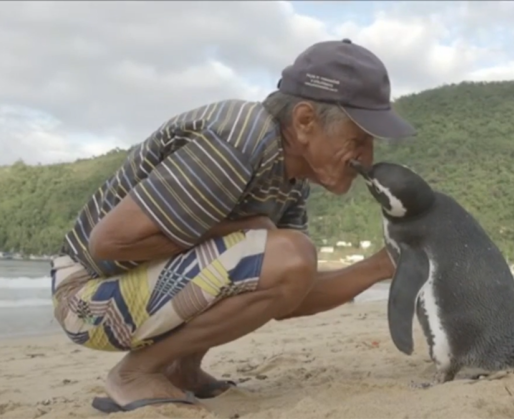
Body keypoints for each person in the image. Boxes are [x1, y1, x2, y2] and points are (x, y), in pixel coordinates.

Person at [50, 38, 416, 412]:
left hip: (127, 291)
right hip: (85, 297)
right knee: (286, 249)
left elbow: (289, 291)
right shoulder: (239, 137)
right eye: (358, 139)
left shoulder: (290, 181)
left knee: (288, 254)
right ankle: (135, 373)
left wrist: (382, 265)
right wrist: (243, 230)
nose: (367, 159)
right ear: (305, 121)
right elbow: (108, 244)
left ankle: (182, 369)